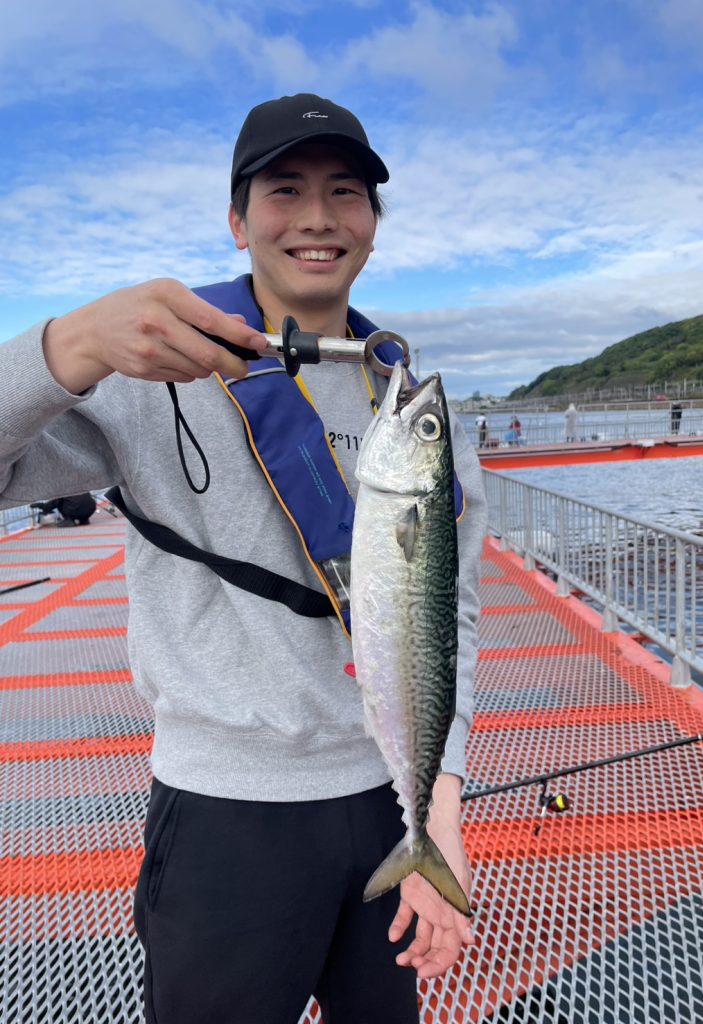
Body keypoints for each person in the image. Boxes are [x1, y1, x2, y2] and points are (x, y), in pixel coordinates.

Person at [0, 94, 485, 1024]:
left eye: (346, 192)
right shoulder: (149, 369)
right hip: (227, 812)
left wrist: (440, 817)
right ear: (237, 220)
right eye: (284, 190)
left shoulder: (412, 402)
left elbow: (446, 615)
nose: (317, 217)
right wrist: (69, 345)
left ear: (373, 223)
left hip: (390, 800)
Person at [31, 492, 96, 526]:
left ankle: (70, 520)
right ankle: (84, 520)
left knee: (60, 501)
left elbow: (55, 502)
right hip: (90, 510)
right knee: (76, 501)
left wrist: (42, 506)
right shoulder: (80, 485)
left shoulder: (64, 489)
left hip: (75, 510)